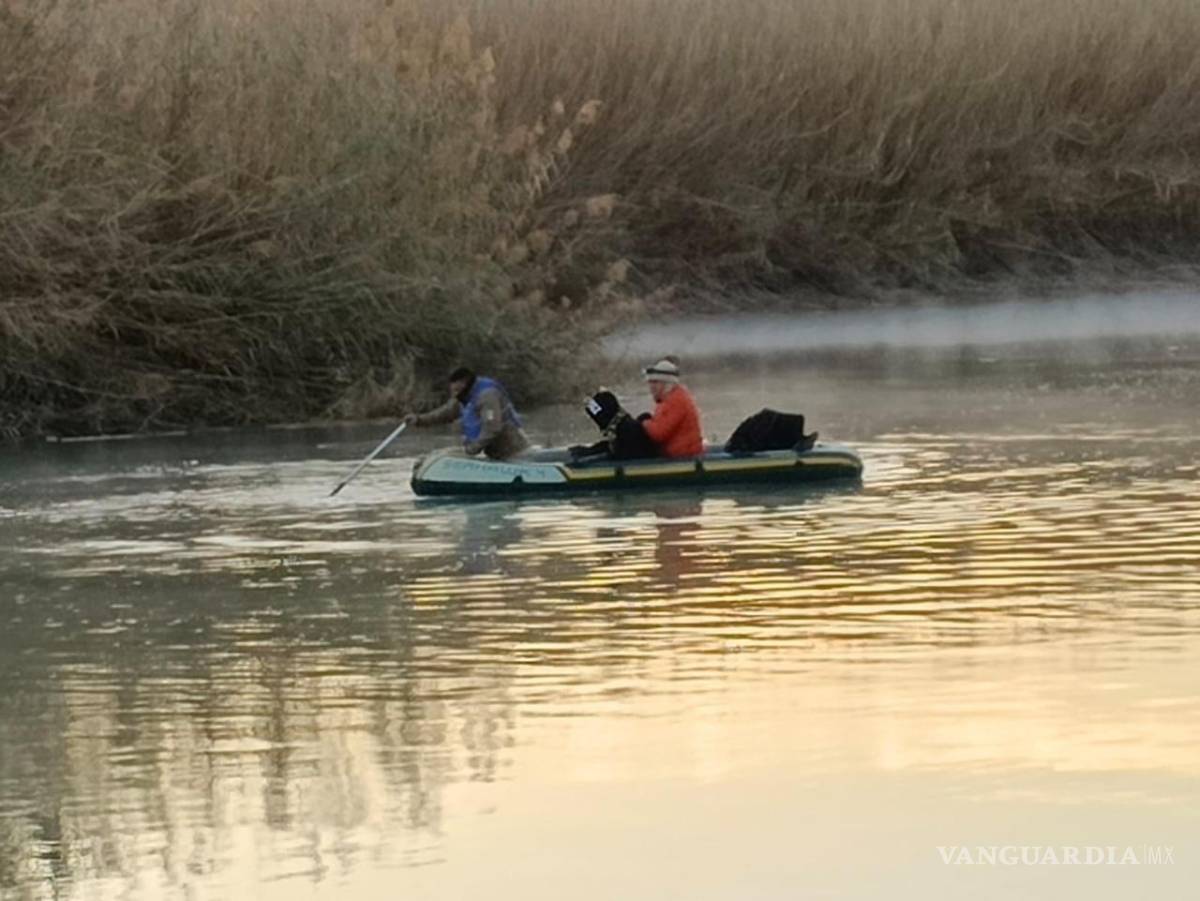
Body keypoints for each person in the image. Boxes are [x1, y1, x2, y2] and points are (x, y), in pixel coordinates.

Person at [405, 367, 529, 459]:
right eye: (452, 391)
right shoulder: (464, 398)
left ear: (465, 384)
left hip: (512, 451)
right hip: (494, 452)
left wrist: (474, 447)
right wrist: (419, 420)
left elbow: (492, 427)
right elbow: (445, 413)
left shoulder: (487, 397)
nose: (454, 395)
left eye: (456, 390)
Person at [568, 390, 660, 461]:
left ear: (604, 416)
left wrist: (590, 453)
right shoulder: (622, 426)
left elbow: (618, 454)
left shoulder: (629, 430)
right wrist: (589, 450)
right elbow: (611, 447)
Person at [640, 357, 703, 458]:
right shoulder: (668, 400)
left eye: (655, 382)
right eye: (650, 382)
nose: (651, 386)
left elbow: (659, 434)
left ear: (667, 384)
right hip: (678, 455)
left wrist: (643, 423)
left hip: (684, 457)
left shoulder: (677, 401)